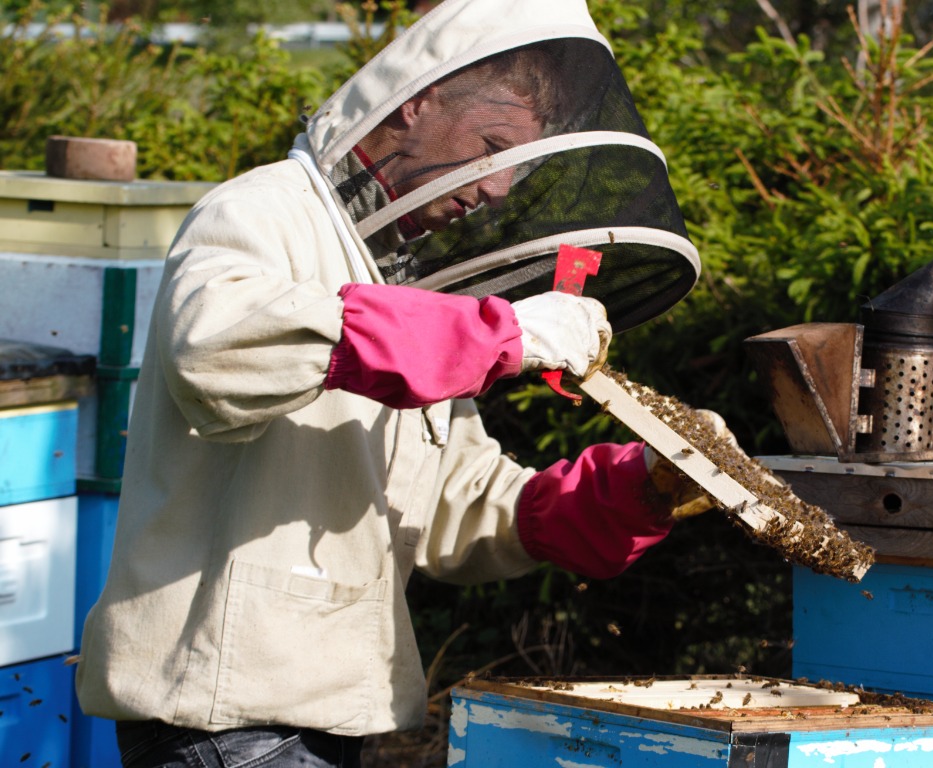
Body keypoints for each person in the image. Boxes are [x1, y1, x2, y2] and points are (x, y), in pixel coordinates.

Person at [74, 1, 709, 765]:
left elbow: (456, 507)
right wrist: (503, 336)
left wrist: (640, 486)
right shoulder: (263, 211)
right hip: (224, 715)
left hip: (316, 711)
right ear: (418, 99)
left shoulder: (405, 281)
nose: (499, 187)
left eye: (517, 165)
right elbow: (215, 349)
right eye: (491, 145)